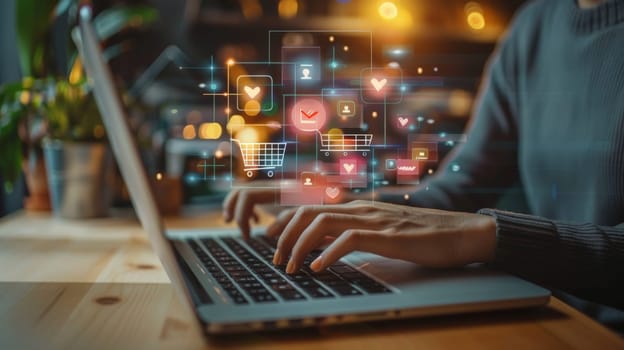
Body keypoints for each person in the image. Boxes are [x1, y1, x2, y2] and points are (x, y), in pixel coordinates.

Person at [223, 0, 624, 329]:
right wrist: (344, 203)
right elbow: (461, 184)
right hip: (553, 314)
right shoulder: (534, 25)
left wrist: (487, 235)